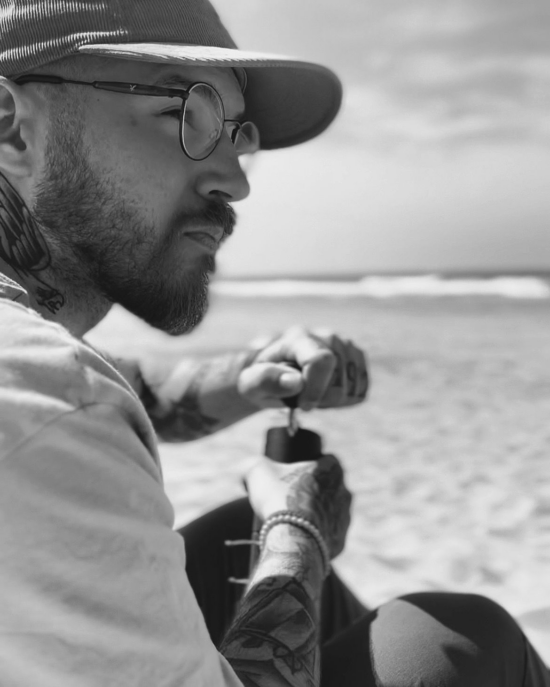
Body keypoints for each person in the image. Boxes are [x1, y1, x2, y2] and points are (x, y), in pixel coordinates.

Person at [0, 1, 547, 685]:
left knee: (239, 536)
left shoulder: (40, 369)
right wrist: (299, 533)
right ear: (11, 127)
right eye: (184, 113)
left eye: (235, 132)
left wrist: (250, 375)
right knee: (464, 636)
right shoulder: (50, 399)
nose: (236, 178)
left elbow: (129, 387)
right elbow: (61, 401)